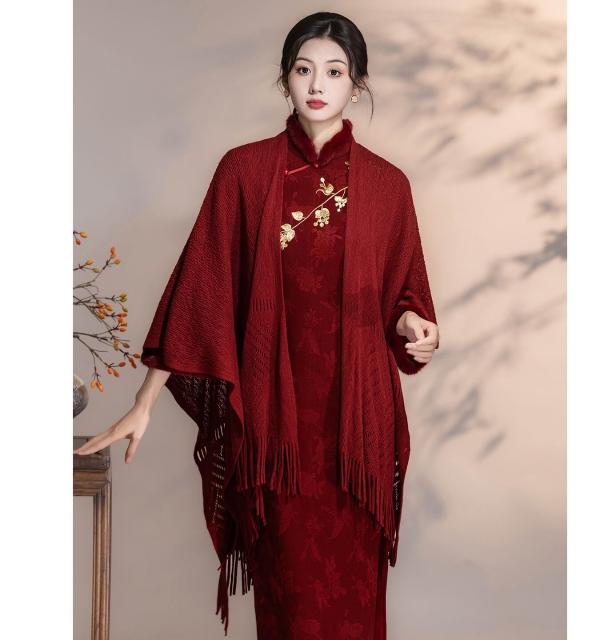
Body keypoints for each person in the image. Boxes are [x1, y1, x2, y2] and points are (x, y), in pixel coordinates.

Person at [74, 12, 440, 639]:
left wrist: (416, 325)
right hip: (278, 436)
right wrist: (144, 401)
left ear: (358, 84)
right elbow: (202, 290)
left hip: (357, 436)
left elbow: (404, 298)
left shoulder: (388, 186)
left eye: (334, 72)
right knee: (292, 610)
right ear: (284, 79)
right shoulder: (244, 173)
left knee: (356, 613)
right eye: (303, 69)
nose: (317, 85)